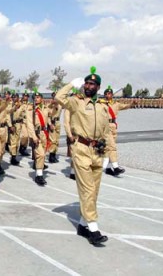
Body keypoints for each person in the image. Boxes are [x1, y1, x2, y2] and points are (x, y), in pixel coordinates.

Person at [55, 67, 110, 246]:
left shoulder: (102, 106)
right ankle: (93, 229)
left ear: (98, 87)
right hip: (81, 150)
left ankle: (82, 225)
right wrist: (71, 84)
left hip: (97, 152)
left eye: (92, 84)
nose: (88, 86)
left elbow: (106, 131)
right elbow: (58, 98)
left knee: (94, 191)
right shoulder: (76, 102)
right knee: (87, 189)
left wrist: (107, 154)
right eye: (86, 83)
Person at [100, 86, 136, 176]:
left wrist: (132, 104)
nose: (109, 95)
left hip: (114, 127)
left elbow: (125, 106)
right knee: (112, 146)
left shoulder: (116, 104)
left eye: (110, 93)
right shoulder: (102, 104)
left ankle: (108, 168)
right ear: (104, 95)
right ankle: (116, 167)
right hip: (106, 126)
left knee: (109, 148)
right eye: (107, 94)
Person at [26, 90, 54, 186]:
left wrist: (55, 103)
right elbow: (29, 124)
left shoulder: (45, 108)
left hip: (44, 134)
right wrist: (33, 137)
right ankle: (39, 175)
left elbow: (52, 113)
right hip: (36, 134)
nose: (36, 99)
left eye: (38, 97)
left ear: (42, 99)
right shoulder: (30, 110)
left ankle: (39, 171)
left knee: (42, 155)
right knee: (41, 155)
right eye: (34, 98)